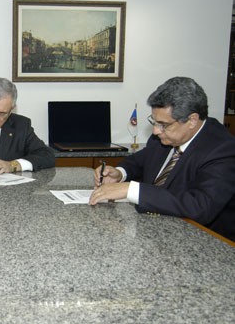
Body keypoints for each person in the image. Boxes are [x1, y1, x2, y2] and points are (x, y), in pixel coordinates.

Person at [89, 76, 235, 241]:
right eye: (154, 122)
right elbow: (140, 161)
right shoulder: (167, 137)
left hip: (204, 244)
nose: (155, 131)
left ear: (192, 121)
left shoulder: (223, 150)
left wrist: (131, 190)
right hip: (156, 233)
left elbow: (200, 206)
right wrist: (120, 173)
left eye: (163, 124)